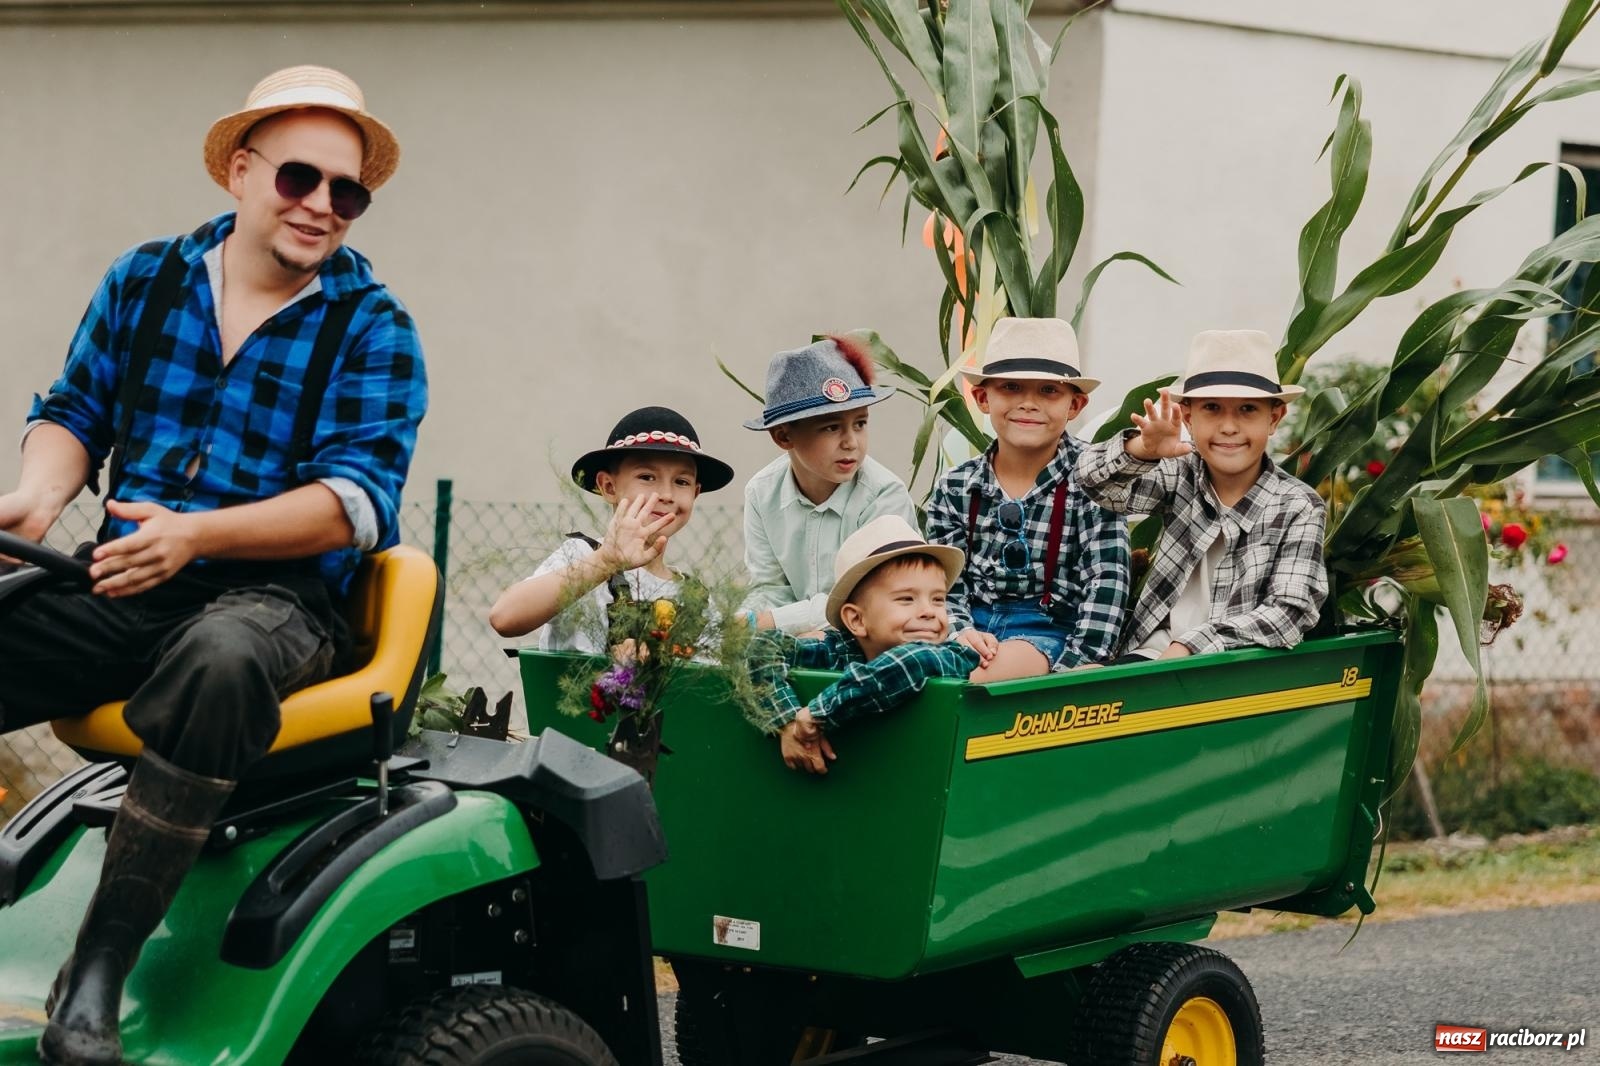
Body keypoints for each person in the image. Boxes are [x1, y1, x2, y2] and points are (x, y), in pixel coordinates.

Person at [0, 66, 427, 1064]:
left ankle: (97, 969)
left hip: (277, 598)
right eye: (298, 178)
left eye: (347, 192)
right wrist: (38, 495)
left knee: (222, 660)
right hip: (125, 575)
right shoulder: (144, 280)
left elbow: (356, 504)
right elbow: (74, 412)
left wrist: (198, 535)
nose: (322, 206)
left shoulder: (375, 329)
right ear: (242, 170)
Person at [1075, 329, 1328, 660]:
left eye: (1248, 409)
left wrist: (1191, 644)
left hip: (1234, 669)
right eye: (1212, 408)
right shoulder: (1180, 475)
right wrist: (1144, 448)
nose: (1228, 427)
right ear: (1189, 418)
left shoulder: (1298, 506)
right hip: (1153, 656)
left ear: (1274, 418)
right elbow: (1093, 481)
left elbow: (1288, 611)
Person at [925, 317, 1129, 681]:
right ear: (983, 398)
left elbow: (1106, 582)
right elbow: (943, 585)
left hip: (1049, 634)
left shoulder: (1093, 482)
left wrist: (1076, 667)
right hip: (972, 629)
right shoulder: (955, 487)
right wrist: (959, 631)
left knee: (974, 678)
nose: (1028, 403)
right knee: (906, 662)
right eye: (1012, 387)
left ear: (1075, 405)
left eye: (1049, 390)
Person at [489, 406, 733, 649]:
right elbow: (504, 618)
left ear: (695, 493)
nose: (667, 494)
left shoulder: (695, 597)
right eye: (647, 477)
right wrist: (607, 561)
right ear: (608, 487)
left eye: (682, 482)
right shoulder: (584, 556)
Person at [750, 515, 977, 774]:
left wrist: (817, 714)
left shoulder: (951, 657)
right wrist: (788, 722)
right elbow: (760, 647)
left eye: (938, 599)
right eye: (906, 599)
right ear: (856, 619)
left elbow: (912, 661)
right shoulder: (838, 652)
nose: (928, 611)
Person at [740, 336, 917, 635]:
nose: (851, 442)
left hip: (874, 640)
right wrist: (741, 621)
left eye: (860, 423)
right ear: (783, 437)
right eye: (832, 427)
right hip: (798, 637)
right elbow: (769, 588)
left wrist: (767, 623)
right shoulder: (761, 493)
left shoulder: (885, 495)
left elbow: (863, 599)